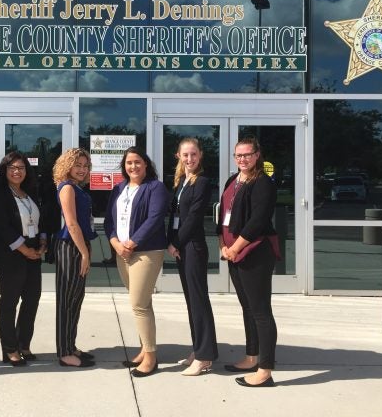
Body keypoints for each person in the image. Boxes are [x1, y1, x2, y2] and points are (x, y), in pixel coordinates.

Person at [217, 137, 281, 388]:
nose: (242, 159)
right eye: (238, 155)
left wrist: (235, 247)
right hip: (232, 252)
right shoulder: (233, 180)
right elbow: (222, 213)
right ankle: (251, 357)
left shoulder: (263, 183)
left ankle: (265, 369)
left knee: (261, 312)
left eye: (247, 154)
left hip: (254, 253)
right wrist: (222, 245)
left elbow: (258, 221)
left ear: (257, 155)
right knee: (247, 308)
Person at [104, 146, 169, 378]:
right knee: (142, 303)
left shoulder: (155, 187)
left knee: (139, 305)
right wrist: (116, 244)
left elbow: (155, 218)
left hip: (146, 252)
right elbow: (109, 221)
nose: (133, 166)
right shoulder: (119, 188)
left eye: (138, 162)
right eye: (129, 163)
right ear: (124, 166)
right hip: (122, 252)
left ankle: (150, 358)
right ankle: (145, 348)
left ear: (146, 164)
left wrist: (131, 243)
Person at [0, 151, 47, 367]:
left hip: (33, 251)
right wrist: (24, 250)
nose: (17, 171)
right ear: (4, 171)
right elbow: (4, 228)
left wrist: (42, 241)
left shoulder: (29, 193)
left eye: (21, 167)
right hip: (11, 254)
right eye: (12, 167)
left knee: (32, 300)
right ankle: (10, 349)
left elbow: (40, 221)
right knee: (10, 302)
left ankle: (24, 344)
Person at [166, 138, 218, 376]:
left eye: (194, 154)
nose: (190, 159)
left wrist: (176, 243)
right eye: (185, 155)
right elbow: (175, 216)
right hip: (181, 247)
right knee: (191, 301)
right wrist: (170, 241)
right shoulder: (181, 182)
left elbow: (194, 218)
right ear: (178, 156)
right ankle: (198, 349)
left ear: (200, 156)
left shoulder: (203, 182)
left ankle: (206, 356)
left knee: (199, 301)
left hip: (192, 248)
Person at [53, 147, 97, 368]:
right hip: (70, 247)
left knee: (75, 300)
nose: (82, 169)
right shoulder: (67, 188)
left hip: (79, 246)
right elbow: (71, 223)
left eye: (85, 165)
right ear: (67, 166)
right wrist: (84, 253)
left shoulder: (78, 188)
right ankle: (64, 352)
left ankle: (71, 345)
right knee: (66, 301)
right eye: (77, 165)